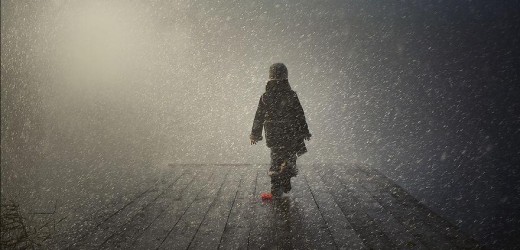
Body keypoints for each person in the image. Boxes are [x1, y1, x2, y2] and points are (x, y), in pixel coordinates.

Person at [250, 63, 311, 197]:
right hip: (290, 132)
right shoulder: (291, 95)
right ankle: (286, 175)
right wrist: (304, 131)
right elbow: (299, 114)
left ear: (270, 78)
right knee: (289, 155)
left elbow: (259, 116)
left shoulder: (265, 96)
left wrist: (255, 134)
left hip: (273, 134)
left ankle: (275, 187)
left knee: (275, 158)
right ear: (286, 77)